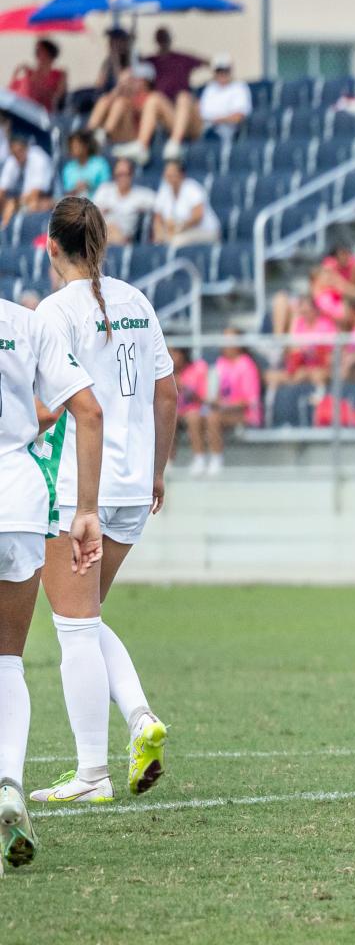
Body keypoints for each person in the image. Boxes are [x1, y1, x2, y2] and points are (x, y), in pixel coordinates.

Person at [28, 198, 174, 807]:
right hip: (132, 486)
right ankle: (139, 718)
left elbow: (54, 407)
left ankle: (92, 773)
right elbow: (168, 394)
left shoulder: (54, 313)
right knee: (85, 616)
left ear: (51, 247)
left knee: (74, 628)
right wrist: (157, 471)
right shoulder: (136, 300)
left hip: (74, 487)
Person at [0, 288, 104, 869]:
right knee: (6, 661)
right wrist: (85, 509)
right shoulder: (24, 322)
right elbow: (88, 409)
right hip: (16, 503)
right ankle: (8, 781)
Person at [178, 329, 263, 474]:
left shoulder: (247, 365)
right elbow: (214, 393)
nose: (226, 345)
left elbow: (249, 401)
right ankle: (199, 457)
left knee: (213, 418)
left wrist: (223, 404)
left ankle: (217, 457)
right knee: (193, 416)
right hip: (220, 409)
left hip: (243, 413)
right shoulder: (220, 363)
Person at [164, 53, 251, 158]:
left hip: (221, 131)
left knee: (184, 98)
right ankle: (174, 143)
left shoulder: (239, 87)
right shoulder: (210, 88)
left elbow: (238, 116)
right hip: (201, 127)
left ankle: (175, 143)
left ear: (230, 70)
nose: (222, 74)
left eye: (225, 70)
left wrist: (215, 119)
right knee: (183, 98)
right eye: (219, 70)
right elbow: (201, 111)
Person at [149, 158, 220, 248]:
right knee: (159, 243)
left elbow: (198, 216)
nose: (169, 177)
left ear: (181, 174)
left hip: (206, 231)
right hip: (178, 233)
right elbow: (157, 218)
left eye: (172, 174)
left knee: (176, 242)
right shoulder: (164, 190)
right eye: (167, 174)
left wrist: (178, 227)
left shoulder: (191, 188)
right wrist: (159, 233)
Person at [90, 156, 152, 244]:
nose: (122, 178)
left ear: (132, 175)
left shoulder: (141, 195)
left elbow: (160, 205)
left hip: (124, 239)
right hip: (101, 234)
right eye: (118, 175)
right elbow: (92, 214)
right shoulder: (104, 190)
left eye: (125, 174)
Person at [0, 134, 56, 228]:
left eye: (19, 150)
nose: (17, 154)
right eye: (14, 152)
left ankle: (6, 233)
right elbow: (1, 191)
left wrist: (14, 203)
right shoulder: (13, 159)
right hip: (21, 201)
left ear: (25, 147)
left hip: (47, 198)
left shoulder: (38, 158)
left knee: (33, 204)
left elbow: (35, 194)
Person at [10, 38, 68, 114]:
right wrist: (16, 73)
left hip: (43, 116)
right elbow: (11, 93)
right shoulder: (29, 73)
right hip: (23, 113)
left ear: (50, 54)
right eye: (37, 52)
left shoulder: (60, 74)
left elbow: (58, 99)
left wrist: (37, 81)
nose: (37, 55)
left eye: (40, 52)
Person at [60, 132, 110, 198]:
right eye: (71, 146)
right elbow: (67, 192)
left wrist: (90, 185)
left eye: (76, 146)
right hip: (75, 205)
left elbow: (107, 187)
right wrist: (76, 189)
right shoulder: (68, 168)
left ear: (85, 146)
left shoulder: (100, 163)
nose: (74, 149)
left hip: (98, 204)